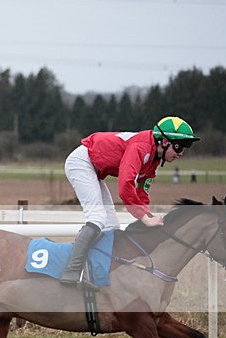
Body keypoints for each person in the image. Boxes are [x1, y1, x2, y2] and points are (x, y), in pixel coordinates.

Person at [59, 116, 200, 290]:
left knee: (111, 225)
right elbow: (126, 184)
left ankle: (97, 273)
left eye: (186, 147)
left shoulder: (155, 160)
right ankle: (72, 271)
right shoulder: (140, 148)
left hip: (95, 169)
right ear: (163, 141)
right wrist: (143, 217)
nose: (181, 153)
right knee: (97, 217)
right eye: (179, 146)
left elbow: (141, 192)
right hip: (82, 163)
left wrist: (148, 216)